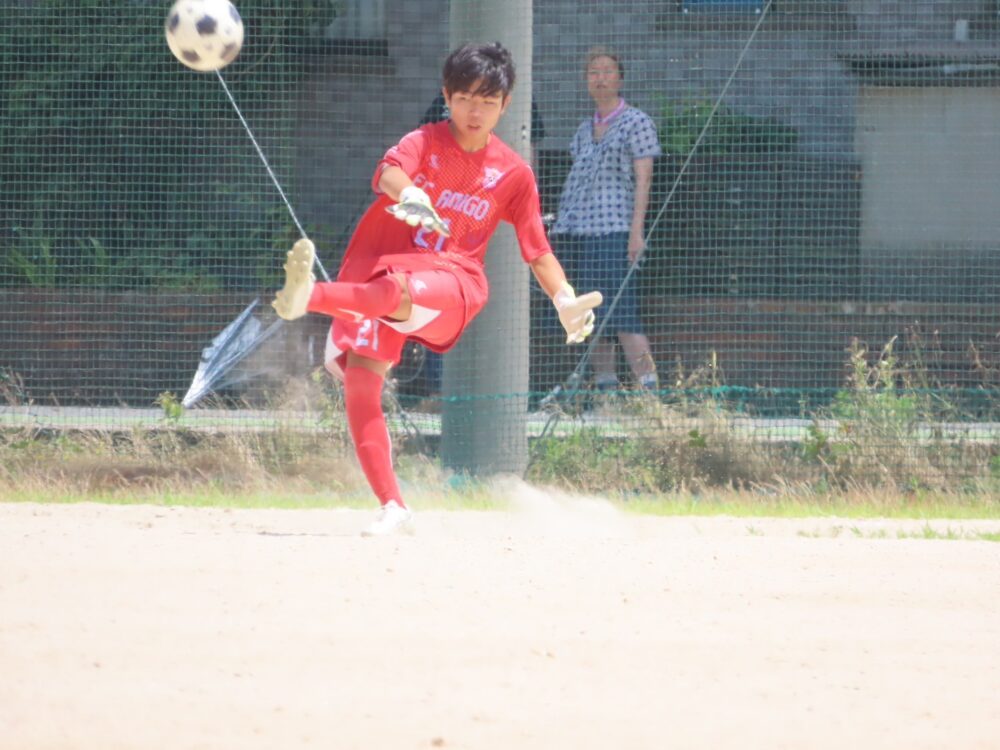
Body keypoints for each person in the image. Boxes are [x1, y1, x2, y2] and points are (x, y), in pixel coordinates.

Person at [272, 42, 602, 536]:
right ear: (446, 96)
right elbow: (388, 172)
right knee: (362, 381)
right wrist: (410, 192)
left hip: (456, 279)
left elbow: (537, 249)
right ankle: (393, 505)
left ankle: (310, 297)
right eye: (465, 98)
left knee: (395, 292)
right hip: (388, 264)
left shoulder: (514, 172)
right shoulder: (424, 141)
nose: (475, 111)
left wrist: (564, 299)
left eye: (487, 101)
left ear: (506, 104)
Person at [550, 46, 659, 394]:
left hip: (615, 230)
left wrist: (636, 233)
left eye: (607, 71)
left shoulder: (637, 122)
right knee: (590, 315)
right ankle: (606, 391)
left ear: (620, 78)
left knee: (623, 313)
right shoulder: (584, 129)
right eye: (593, 72)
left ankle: (649, 393)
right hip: (578, 231)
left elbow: (644, 180)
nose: (600, 78)